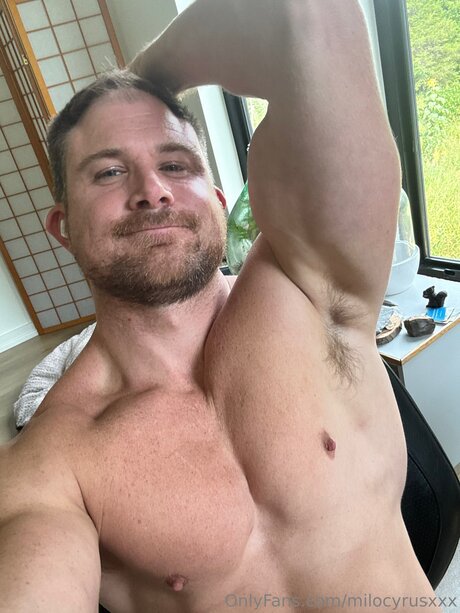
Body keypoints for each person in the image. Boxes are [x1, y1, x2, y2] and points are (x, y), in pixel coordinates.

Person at [0, 1, 439, 611]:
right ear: (63, 227)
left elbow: (308, 14)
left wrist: (138, 83)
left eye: (174, 164)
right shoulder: (53, 465)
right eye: (108, 173)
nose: (152, 190)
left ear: (217, 198)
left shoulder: (312, 292)